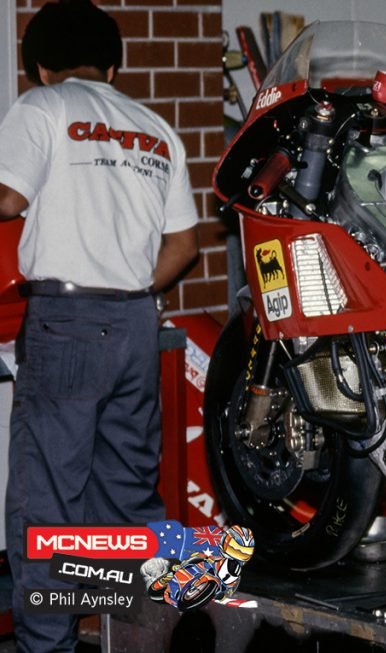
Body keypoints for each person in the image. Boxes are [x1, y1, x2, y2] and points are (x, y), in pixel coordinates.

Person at [0, 1, 199, 650]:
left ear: (38, 69)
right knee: (126, 493)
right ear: (112, 65)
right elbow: (184, 246)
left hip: (67, 321)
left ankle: (47, 646)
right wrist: (127, 289)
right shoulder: (155, 127)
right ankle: (133, 638)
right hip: (137, 322)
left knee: (47, 501)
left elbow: (7, 198)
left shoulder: (43, 108)